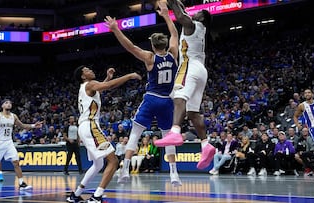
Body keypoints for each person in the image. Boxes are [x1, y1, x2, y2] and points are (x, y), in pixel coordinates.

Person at [104, 1, 182, 186]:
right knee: (168, 136)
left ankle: (124, 171)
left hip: (152, 98)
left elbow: (130, 47)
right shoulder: (173, 53)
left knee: (135, 134)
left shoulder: (150, 57)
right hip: (167, 100)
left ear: (153, 45)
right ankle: (174, 175)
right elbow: (175, 33)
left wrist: (116, 29)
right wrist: (165, 14)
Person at [153, 0, 215, 170]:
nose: (195, 13)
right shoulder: (200, 29)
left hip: (189, 66)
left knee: (179, 96)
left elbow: (181, 16)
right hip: (201, 70)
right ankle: (206, 145)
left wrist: (172, 2)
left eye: (198, 13)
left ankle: (174, 132)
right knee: (193, 112)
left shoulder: (193, 25)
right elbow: (183, 12)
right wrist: (176, 4)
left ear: (200, 18)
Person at [66, 66, 141, 203]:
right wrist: (129, 75)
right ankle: (97, 196)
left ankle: (76, 195)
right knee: (113, 161)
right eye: (87, 70)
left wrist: (107, 78)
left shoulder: (86, 87)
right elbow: (108, 86)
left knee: (98, 164)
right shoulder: (90, 84)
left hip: (84, 127)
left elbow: (103, 87)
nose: (91, 70)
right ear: (83, 76)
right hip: (90, 126)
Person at [0, 99, 42, 190]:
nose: (9, 104)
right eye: (6, 103)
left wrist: (34, 126)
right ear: (2, 106)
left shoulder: (13, 116)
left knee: (16, 162)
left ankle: (21, 183)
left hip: (9, 142)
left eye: (10, 103)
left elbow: (22, 126)